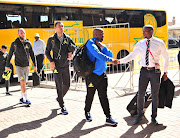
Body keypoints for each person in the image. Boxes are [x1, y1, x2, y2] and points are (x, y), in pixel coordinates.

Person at [118, 25, 169, 125]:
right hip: (144, 71)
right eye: (143, 31)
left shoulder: (159, 43)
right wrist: (120, 61)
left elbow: (166, 57)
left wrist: (165, 72)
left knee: (155, 95)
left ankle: (154, 117)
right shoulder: (141, 43)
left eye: (145, 32)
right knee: (141, 93)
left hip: (155, 72)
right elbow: (132, 55)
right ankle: (140, 115)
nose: (143, 33)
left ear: (151, 32)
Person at [84, 28, 118, 126]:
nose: (103, 36)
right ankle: (87, 112)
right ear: (95, 34)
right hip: (92, 75)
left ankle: (108, 117)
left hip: (102, 75)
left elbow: (110, 54)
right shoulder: (90, 43)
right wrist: (111, 60)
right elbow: (97, 55)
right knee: (90, 95)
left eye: (103, 34)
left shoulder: (100, 44)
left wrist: (104, 47)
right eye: (101, 34)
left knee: (104, 96)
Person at [45, 21, 76, 115]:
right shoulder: (51, 39)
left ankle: (59, 97)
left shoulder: (67, 38)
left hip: (65, 64)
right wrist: (51, 61)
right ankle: (62, 105)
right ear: (55, 28)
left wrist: (72, 54)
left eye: (62, 26)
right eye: (59, 26)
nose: (61, 28)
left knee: (67, 84)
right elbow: (47, 52)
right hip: (56, 65)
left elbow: (75, 47)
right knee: (59, 84)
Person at [5, 28, 37, 105]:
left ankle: (21, 98)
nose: (23, 34)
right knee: (22, 82)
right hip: (18, 66)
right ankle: (26, 99)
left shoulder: (28, 43)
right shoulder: (14, 44)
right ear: (18, 34)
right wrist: (7, 65)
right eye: (21, 33)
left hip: (26, 66)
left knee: (24, 83)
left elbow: (32, 55)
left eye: (24, 33)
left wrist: (35, 65)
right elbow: (10, 55)